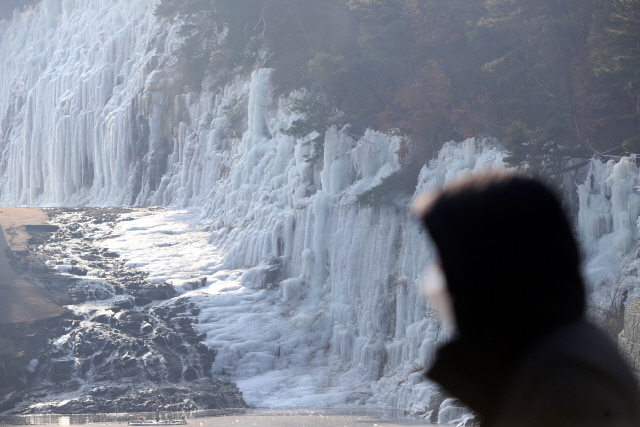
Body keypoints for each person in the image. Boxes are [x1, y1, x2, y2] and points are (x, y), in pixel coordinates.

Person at [412, 172, 640, 427]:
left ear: (491, 264)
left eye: (449, 257)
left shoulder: (567, 380)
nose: (437, 271)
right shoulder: (546, 359)